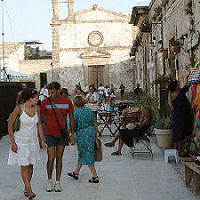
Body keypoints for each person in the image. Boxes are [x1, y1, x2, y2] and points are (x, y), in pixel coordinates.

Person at [8, 88, 47, 199]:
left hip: (33, 141)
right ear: (30, 99)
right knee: (24, 166)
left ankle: (26, 186)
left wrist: (42, 141)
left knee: (30, 165)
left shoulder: (37, 109)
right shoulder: (18, 109)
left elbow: (39, 125)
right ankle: (29, 190)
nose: (38, 99)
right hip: (21, 141)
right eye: (36, 97)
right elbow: (10, 126)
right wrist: (13, 142)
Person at [40, 82, 75, 192]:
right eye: (49, 92)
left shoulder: (67, 102)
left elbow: (71, 118)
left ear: (58, 90)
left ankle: (58, 182)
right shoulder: (45, 102)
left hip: (62, 133)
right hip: (50, 133)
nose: (50, 94)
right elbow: (41, 121)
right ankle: (49, 181)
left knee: (59, 158)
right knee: (51, 158)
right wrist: (41, 137)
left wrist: (72, 134)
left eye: (52, 92)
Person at [67, 95, 99, 183]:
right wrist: (96, 134)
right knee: (83, 152)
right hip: (91, 131)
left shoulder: (75, 113)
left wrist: (71, 136)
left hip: (82, 134)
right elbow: (95, 123)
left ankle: (95, 176)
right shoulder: (89, 110)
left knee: (87, 153)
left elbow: (71, 126)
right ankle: (76, 172)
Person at [168, 79, 193, 153]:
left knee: (176, 133)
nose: (178, 86)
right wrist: (191, 78)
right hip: (182, 116)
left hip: (175, 116)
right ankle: (180, 150)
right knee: (182, 133)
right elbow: (187, 86)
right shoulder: (180, 93)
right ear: (175, 87)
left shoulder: (172, 94)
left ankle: (176, 150)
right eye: (177, 85)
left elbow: (184, 87)